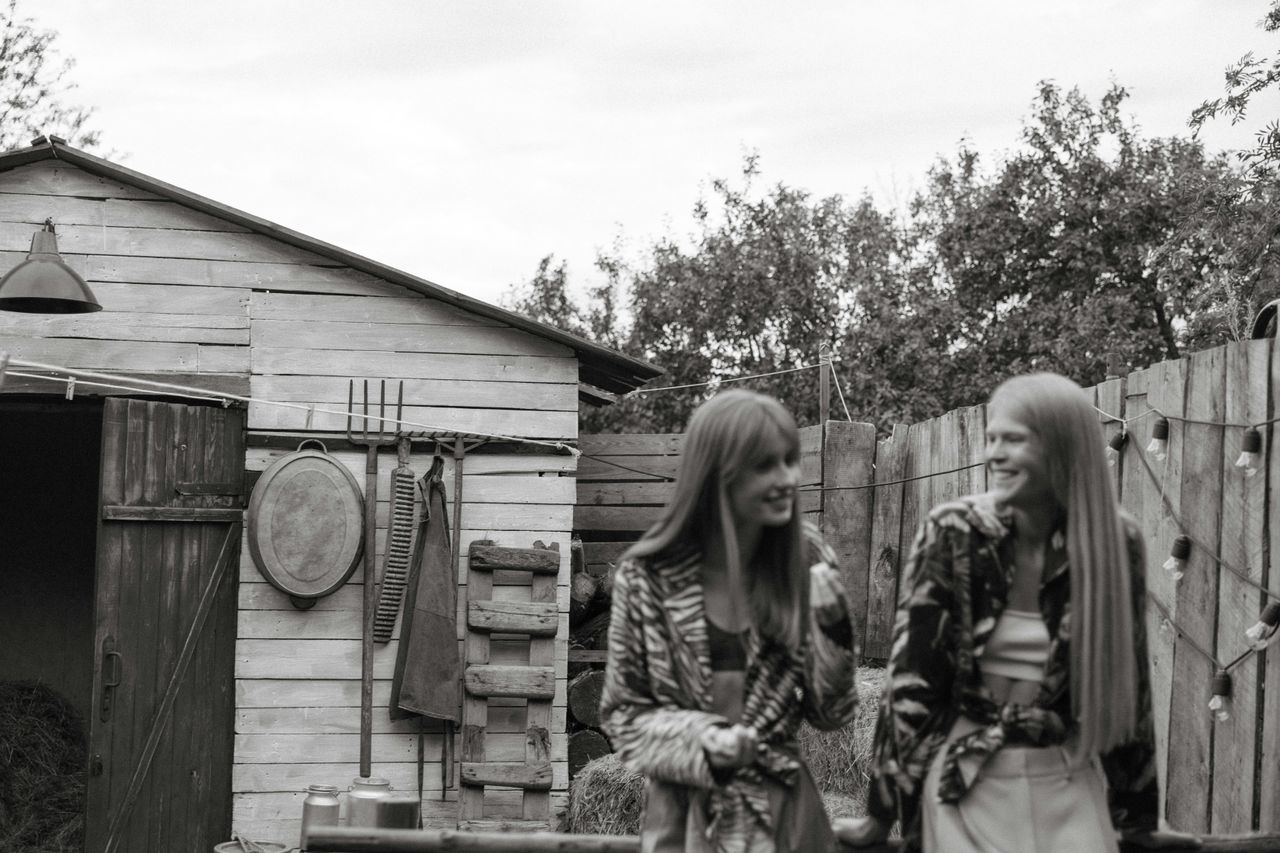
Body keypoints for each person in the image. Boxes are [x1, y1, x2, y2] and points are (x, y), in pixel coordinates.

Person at [837, 372, 1199, 851]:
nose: (994, 454)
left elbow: (1128, 690)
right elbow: (910, 684)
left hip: (1067, 778)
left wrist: (1138, 823)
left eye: (1013, 440)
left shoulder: (1115, 541)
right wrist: (879, 818)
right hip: (964, 778)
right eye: (992, 439)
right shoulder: (954, 533)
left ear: (1062, 447)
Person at [598, 389, 860, 853]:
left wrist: (834, 633)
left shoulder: (807, 557)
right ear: (717, 473)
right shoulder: (648, 576)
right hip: (684, 819)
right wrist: (705, 742)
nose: (787, 479)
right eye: (765, 466)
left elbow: (831, 715)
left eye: (790, 461)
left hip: (784, 816)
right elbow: (623, 719)